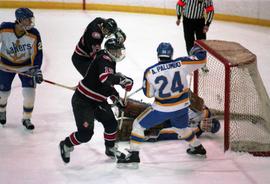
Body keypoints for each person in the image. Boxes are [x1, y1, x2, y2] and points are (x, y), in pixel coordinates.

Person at [117, 42, 207, 168]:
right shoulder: (182, 63)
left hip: (162, 109)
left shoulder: (150, 72)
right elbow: (202, 59)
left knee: (138, 125)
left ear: (158, 55)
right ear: (171, 54)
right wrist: (197, 51)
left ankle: (133, 155)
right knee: (181, 128)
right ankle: (197, 147)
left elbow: (148, 94)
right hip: (182, 107)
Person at [59, 38, 133, 164]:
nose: (119, 54)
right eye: (117, 51)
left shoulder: (110, 61)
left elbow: (106, 85)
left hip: (98, 101)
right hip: (83, 101)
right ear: (109, 51)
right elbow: (105, 78)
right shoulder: (103, 59)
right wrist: (121, 80)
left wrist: (115, 97)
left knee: (111, 124)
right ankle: (65, 144)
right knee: (85, 135)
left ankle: (110, 148)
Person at [0, 8, 43, 130]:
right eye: (27, 19)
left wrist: (36, 69)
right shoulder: (4, 29)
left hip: (26, 68)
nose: (30, 22)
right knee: (2, 94)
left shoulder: (34, 34)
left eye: (31, 19)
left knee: (30, 94)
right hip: (5, 66)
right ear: (19, 20)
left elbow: (38, 53)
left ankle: (26, 118)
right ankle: (2, 110)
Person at [116, 97, 221, 142]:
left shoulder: (195, 134)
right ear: (209, 118)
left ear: (207, 131)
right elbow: (191, 98)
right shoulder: (202, 111)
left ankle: (118, 131)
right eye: (209, 123)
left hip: (164, 124)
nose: (206, 124)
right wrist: (206, 110)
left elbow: (172, 134)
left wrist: (156, 136)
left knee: (146, 127)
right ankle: (121, 105)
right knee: (143, 108)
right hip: (168, 109)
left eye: (208, 128)